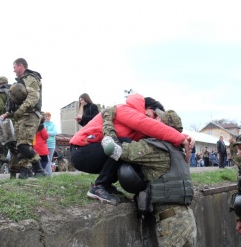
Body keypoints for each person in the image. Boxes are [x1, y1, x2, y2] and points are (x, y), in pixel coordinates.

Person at [70, 93, 194, 204]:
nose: (154, 120)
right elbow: (146, 124)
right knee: (124, 144)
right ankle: (99, 186)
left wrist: (185, 138)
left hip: (97, 151)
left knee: (131, 151)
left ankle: (106, 185)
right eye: (154, 114)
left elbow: (157, 134)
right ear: (148, 107)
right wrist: (179, 138)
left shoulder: (139, 128)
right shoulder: (124, 109)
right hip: (81, 151)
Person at [101, 108, 197, 246]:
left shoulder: (156, 148)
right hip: (185, 219)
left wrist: (107, 121)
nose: (151, 121)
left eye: (157, 118)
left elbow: (112, 149)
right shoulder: (179, 150)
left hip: (172, 224)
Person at [0, 58, 45, 178]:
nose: (13, 70)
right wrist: (8, 114)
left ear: (21, 66)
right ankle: (24, 173)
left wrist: (20, 111)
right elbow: (17, 104)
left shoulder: (30, 78)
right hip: (21, 117)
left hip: (30, 115)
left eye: (14, 67)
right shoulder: (19, 82)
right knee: (19, 147)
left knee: (23, 145)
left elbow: (33, 97)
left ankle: (40, 170)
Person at [0, 76, 20, 180]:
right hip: (16, 126)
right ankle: (13, 175)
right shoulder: (15, 92)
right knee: (15, 151)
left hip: (3, 126)